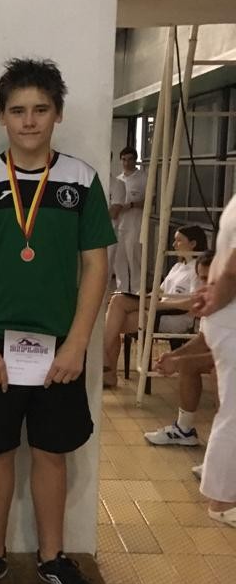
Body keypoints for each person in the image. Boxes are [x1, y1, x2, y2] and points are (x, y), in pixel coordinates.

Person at [0, 58, 115, 584]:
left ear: (57, 114)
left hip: (60, 349)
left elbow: (96, 265)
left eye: (41, 109)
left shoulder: (81, 181)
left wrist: (79, 343)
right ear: (2, 117)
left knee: (50, 452)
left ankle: (52, 558)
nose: (30, 120)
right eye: (18, 111)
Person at [102, 225, 207, 388]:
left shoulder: (197, 269)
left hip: (173, 317)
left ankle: (104, 363)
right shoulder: (177, 267)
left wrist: (160, 305)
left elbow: (193, 303)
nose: (174, 245)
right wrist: (145, 298)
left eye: (179, 241)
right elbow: (159, 291)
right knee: (116, 316)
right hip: (157, 309)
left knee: (117, 305)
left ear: (193, 243)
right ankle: (108, 371)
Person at [192, 195, 236, 527]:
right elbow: (232, 267)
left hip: (226, 314)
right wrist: (217, 299)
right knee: (234, 412)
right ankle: (221, 500)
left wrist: (214, 293)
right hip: (231, 318)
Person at [144, 251, 214, 447]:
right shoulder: (211, 302)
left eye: (211, 280)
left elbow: (226, 355)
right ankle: (184, 430)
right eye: (202, 279)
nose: (205, 285)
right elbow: (204, 340)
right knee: (189, 366)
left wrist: (179, 362)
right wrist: (174, 355)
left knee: (218, 373)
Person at [113, 146, 146, 293]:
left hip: (135, 225)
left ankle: (137, 292)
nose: (127, 163)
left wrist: (131, 205)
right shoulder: (118, 180)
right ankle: (122, 291)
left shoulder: (143, 178)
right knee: (118, 259)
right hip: (119, 225)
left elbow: (151, 201)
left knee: (134, 258)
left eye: (130, 159)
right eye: (124, 159)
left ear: (135, 160)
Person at [107, 157, 126, 288]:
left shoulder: (117, 184)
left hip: (108, 233)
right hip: (85, 232)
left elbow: (114, 212)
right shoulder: (85, 180)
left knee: (104, 271)